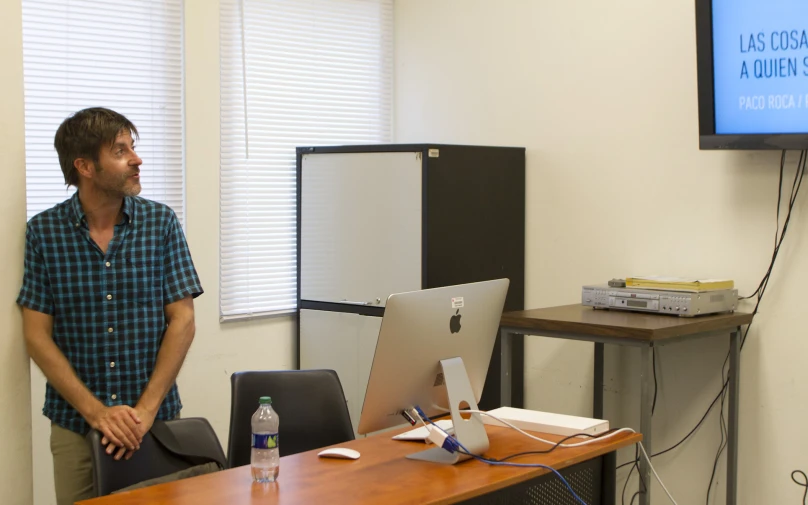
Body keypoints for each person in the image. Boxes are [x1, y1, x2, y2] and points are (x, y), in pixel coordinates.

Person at [16, 107, 203, 505]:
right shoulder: (44, 233)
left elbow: (183, 320)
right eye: (120, 151)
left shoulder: (161, 222)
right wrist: (98, 413)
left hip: (155, 420)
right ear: (84, 166)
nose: (136, 159)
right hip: (74, 426)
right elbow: (36, 336)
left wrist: (145, 413)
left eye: (133, 147)